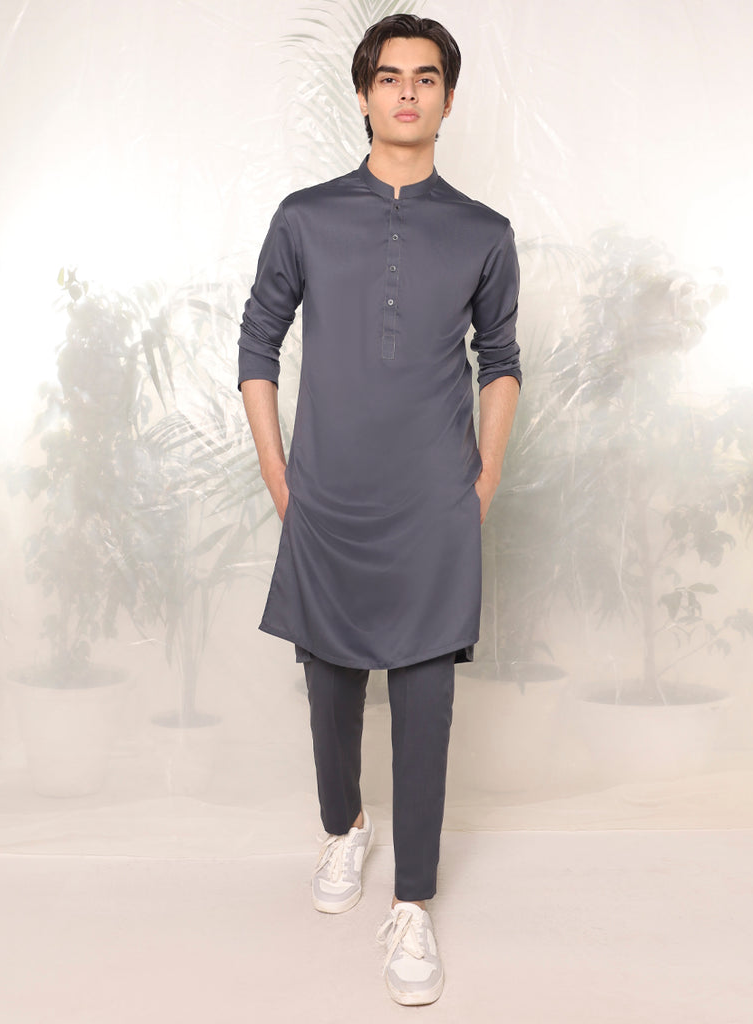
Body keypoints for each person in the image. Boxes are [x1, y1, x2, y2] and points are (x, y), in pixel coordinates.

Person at [238, 13, 520, 1007]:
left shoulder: (482, 231)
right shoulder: (305, 216)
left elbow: (501, 360)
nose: (407, 91)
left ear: (447, 98)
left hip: (434, 503)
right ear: (362, 95)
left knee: (426, 699)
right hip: (326, 495)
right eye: (389, 76)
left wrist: (482, 480)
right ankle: (343, 828)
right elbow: (258, 344)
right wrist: (279, 478)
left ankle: (413, 903)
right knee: (328, 686)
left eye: (425, 77)